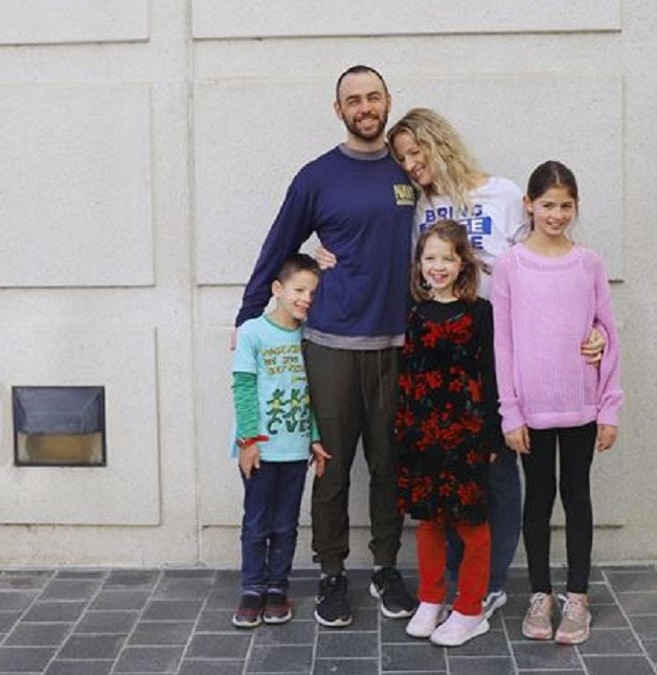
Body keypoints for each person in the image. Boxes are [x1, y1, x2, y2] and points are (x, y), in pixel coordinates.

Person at [315, 107, 605, 619]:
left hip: (500, 347)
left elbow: (547, 265)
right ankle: (455, 586)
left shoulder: (503, 194)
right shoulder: (416, 208)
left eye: (415, 151)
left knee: (497, 469)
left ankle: (491, 583)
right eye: (401, 157)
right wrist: (327, 257)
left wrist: (595, 329)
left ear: (438, 142)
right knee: (447, 474)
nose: (410, 163)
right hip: (441, 355)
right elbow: (393, 263)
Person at [233, 65, 418, 628]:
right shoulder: (316, 177)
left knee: (389, 468)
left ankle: (386, 566)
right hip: (331, 344)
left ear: (388, 102)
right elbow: (280, 247)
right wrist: (248, 317)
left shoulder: (410, 168)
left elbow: (455, 232)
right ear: (339, 110)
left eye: (374, 97)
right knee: (332, 469)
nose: (365, 107)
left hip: (397, 344)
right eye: (353, 100)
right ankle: (332, 574)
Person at [491, 160, 623, 645]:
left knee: (577, 496)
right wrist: (511, 412)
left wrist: (609, 408)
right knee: (538, 499)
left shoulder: (588, 263)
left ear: (576, 207)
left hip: (582, 407)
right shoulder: (511, 265)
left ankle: (578, 597)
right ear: (528, 205)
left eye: (566, 205)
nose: (557, 214)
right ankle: (540, 593)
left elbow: (607, 332)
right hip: (533, 411)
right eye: (547, 204)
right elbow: (503, 344)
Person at [397, 220, 500, 647]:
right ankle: (431, 598)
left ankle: (471, 608)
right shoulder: (411, 310)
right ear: (420, 264)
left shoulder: (479, 312)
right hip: (420, 432)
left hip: (466, 430)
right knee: (429, 522)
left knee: (471, 523)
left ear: (463, 264)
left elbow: (490, 372)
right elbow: (404, 374)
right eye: (430, 258)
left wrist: (492, 432)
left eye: (447, 258)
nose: (438, 266)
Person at [230, 254, 332, 628]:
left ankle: (277, 587)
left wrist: (316, 438)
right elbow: (242, 387)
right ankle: (253, 587)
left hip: (295, 448)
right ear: (278, 289)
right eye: (299, 290)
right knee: (257, 521)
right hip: (260, 448)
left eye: (313, 292)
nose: (306, 298)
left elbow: (315, 394)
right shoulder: (253, 332)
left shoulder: (310, 337)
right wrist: (248, 441)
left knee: (286, 524)